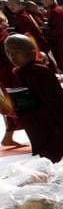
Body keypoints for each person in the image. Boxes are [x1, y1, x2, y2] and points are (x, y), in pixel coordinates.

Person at [4, 34, 63, 161]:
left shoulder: (40, 73)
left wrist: (22, 111)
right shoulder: (21, 72)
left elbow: (54, 106)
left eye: (16, 52)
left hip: (54, 130)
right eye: (8, 52)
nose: (12, 56)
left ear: (31, 53)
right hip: (39, 130)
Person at [0, 12, 22, 146]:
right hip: (7, 72)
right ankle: (8, 136)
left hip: (6, 71)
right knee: (15, 103)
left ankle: (8, 136)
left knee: (12, 103)